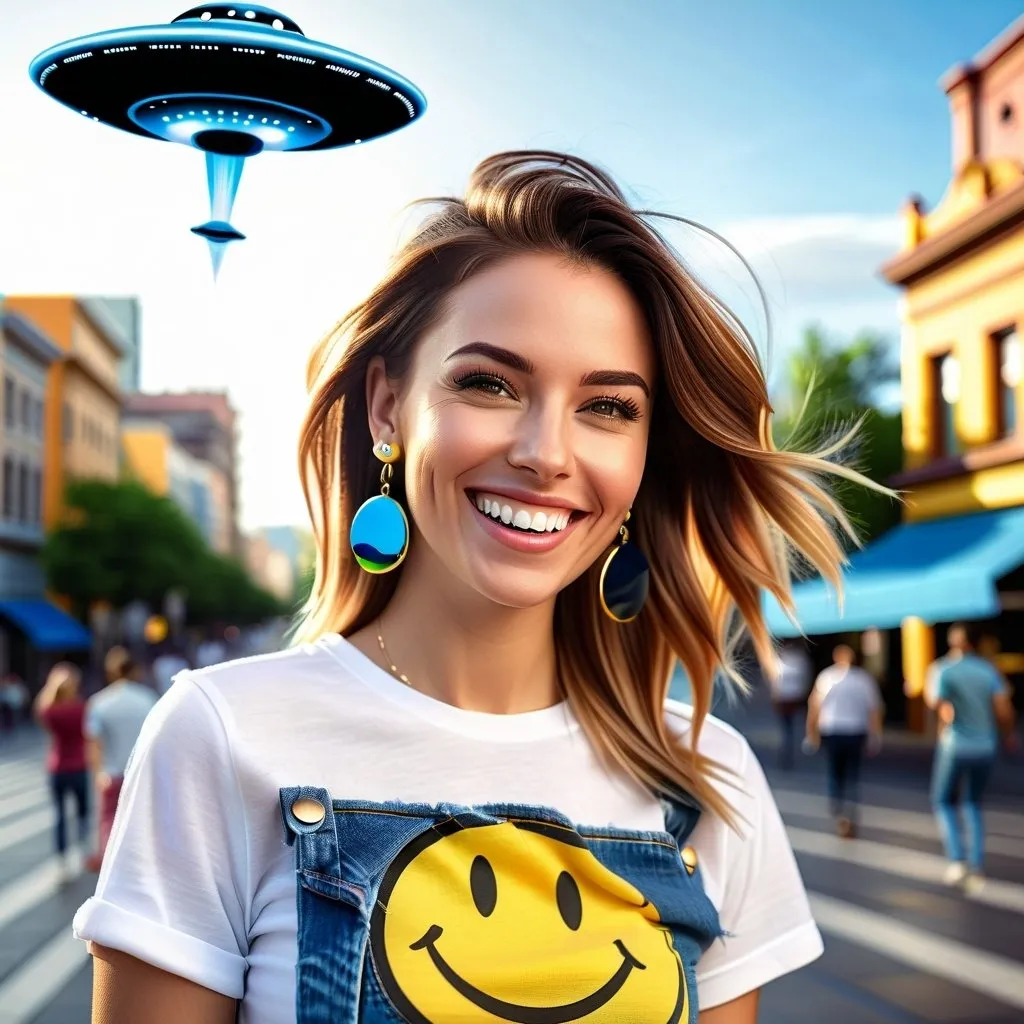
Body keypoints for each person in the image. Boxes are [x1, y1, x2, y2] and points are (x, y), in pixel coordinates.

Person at [75, 151, 873, 1024]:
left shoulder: (711, 778)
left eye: (608, 407)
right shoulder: (220, 734)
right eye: (489, 383)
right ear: (387, 407)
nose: (547, 453)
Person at [927, 623, 1018, 892]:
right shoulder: (988, 670)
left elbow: (937, 705)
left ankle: (957, 860)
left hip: (955, 744)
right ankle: (976, 864)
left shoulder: (943, 669)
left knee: (942, 800)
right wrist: (1008, 736)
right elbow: (1004, 711)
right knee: (973, 803)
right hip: (986, 746)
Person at [83, 646, 159, 873]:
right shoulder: (149, 699)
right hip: (141, 774)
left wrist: (98, 774)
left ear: (110, 672)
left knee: (108, 824)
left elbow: (94, 745)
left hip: (112, 774)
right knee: (142, 826)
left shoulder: (98, 702)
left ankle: (110, 875)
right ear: (134, 670)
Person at [805, 644, 884, 838]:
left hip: (832, 730)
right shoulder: (863, 679)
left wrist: (811, 732)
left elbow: (814, 706)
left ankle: (838, 807)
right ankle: (848, 810)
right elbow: (874, 709)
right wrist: (875, 735)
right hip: (855, 731)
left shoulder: (827, 677)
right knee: (851, 774)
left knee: (835, 771)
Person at [33, 662, 90, 880]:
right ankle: (83, 849)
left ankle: (61, 858)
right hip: (79, 765)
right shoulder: (81, 708)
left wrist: (51, 688)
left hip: (57, 767)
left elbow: (40, 710)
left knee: (59, 815)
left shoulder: (50, 711)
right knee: (83, 812)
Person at [769, 639, 813, 769]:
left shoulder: (794, 659)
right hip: (787, 696)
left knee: (788, 727)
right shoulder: (785, 660)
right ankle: (787, 752)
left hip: (791, 697)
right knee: (787, 727)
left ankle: (788, 751)